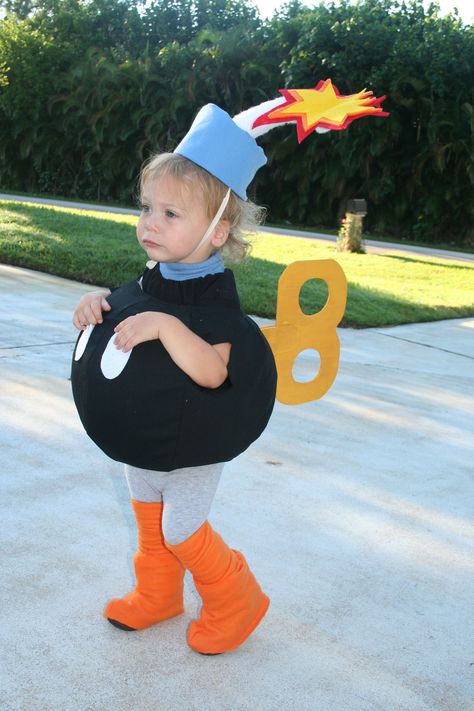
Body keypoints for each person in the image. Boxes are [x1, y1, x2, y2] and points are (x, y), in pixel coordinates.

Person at [71, 107, 278, 655]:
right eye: (146, 209)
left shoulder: (214, 298)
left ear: (218, 230)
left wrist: (164, 327)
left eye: (170, 213)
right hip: (147, 435)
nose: (149, 223)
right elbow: (127, 303)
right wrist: (98, 305)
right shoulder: (155, 277)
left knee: (181, 528)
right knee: (146, 509)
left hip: (193, 441)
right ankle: (158, 593)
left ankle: (236, 598)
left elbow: (214, 371)